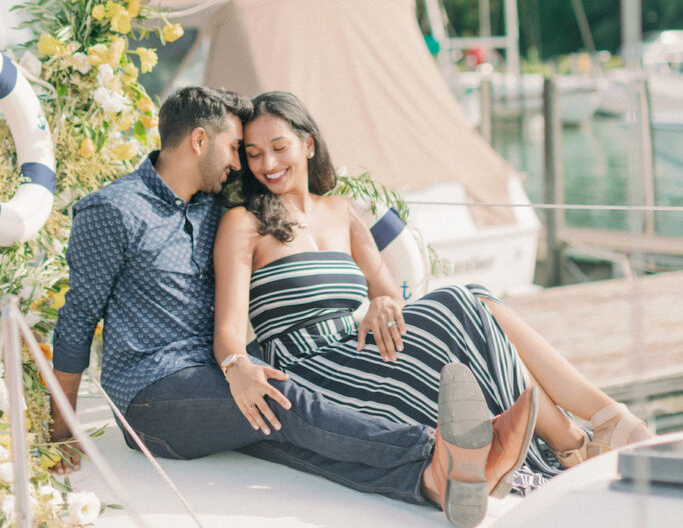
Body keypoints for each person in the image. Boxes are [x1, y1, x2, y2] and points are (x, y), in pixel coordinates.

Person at [50, 85, 535, 528]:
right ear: (199, 140)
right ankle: (439, 451)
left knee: (287, 441)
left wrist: (370, 294)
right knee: (287, 401)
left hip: (220, 376)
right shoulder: (111, 211)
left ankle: (430, 483)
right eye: (235, 148)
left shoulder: (213, 207)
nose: (241, 164)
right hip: (150, 392)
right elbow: (75, 323)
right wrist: (60, 434)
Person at [213, 90, 651, 504]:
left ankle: (588, 433)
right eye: (254, 154)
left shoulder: (341, 211)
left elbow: (386, 293)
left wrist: (384, 303)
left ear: (308, 144)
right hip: (308, 368)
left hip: (359, 349)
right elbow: (229, 329)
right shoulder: (244, 222)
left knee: (474, 297)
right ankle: (584, 436)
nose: (267, 163)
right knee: (460, 301)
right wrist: (236, 367)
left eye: (278, 147)